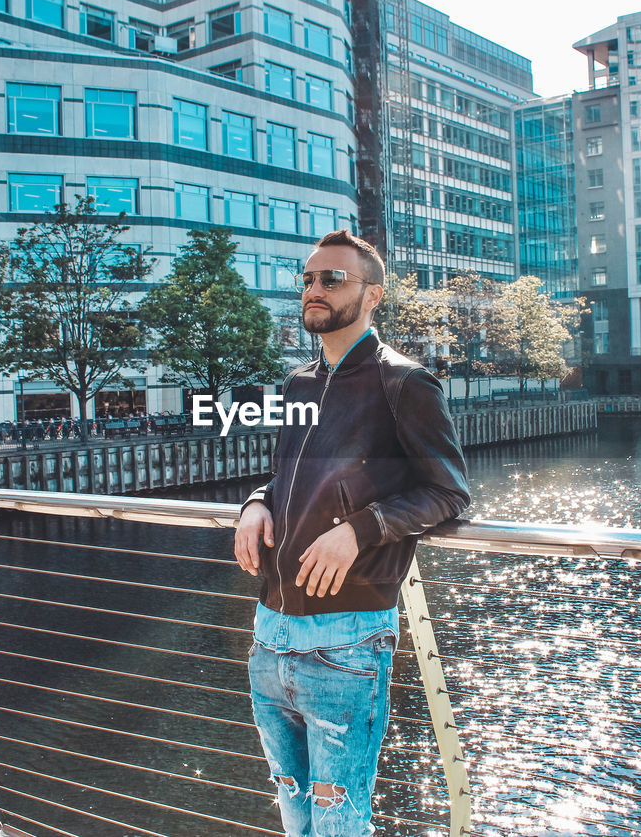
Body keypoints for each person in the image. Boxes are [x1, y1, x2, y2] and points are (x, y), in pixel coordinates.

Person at [233, 229, 470, 835]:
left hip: (346, 640)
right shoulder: (298, 385)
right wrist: (256, 502)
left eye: (331, 278)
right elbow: (286, 476)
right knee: (294, 814)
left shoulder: (405, 384)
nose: (314, 289)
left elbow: (449, 493)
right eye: (308, 279)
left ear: (373, 295)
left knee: (340, 822)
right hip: (270, 633)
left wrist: (362, 530)